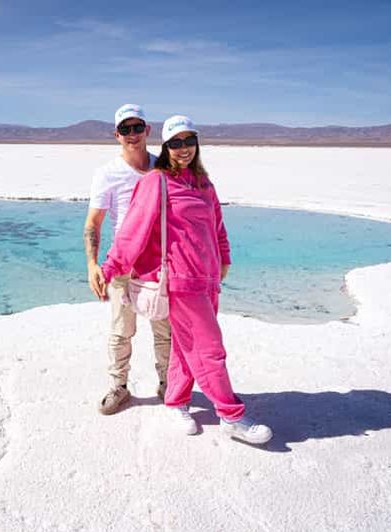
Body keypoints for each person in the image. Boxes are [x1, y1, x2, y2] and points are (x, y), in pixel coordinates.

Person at [100, 115, 273, 444]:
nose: (183, 149)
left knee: (184, 347)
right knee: (210, 350)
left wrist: (224, 258)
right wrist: (110, 268)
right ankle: (231, 415)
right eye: (175, 143)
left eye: (188, 140)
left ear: (196, 143)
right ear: (165, 147)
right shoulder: (157, 181)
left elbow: (217, 226)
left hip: (207, 280)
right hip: (180, 282)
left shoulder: (204, 183)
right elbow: (132, 231)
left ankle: (175, 401)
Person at [84, 104, 172, 415]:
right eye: (125, 129)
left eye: (137, 128)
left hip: (159, 265)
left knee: (164, 330)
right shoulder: (107, 174)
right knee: (121, 330)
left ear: (148, 130)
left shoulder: (166, 166)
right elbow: (93, 223)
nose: (132, 134)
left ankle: (167, 384)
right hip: (123, 266)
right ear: (116, 135)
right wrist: (93, 264)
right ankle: (118, 387)